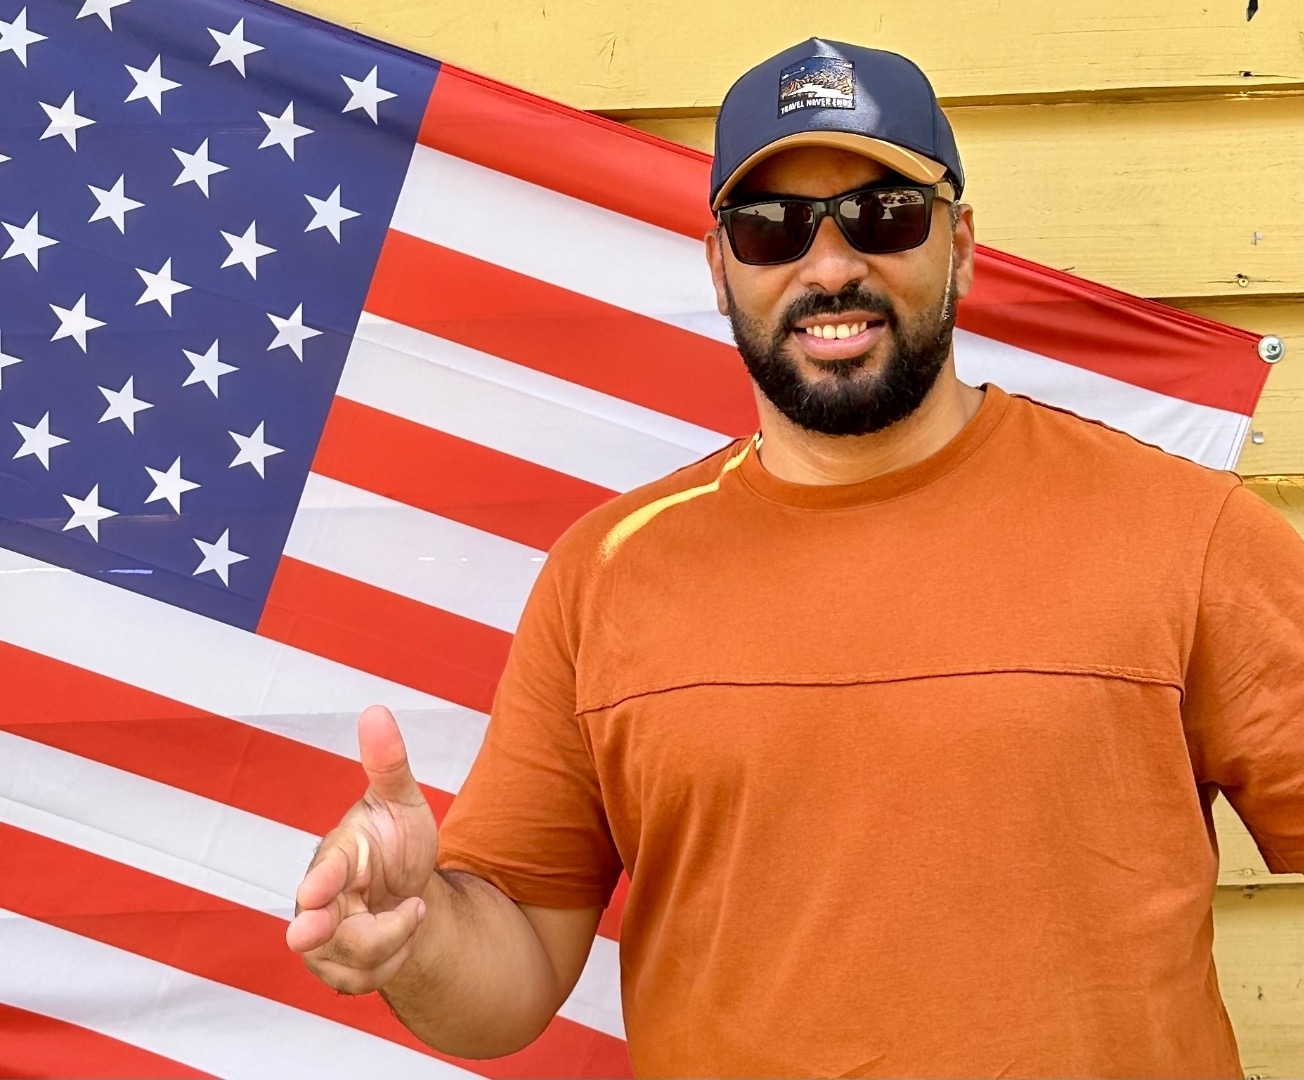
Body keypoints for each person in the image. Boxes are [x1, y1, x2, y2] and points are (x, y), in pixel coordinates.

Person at [286, 37, 1304, 1078]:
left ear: (958, 246)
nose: (829, 267)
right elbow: (511, 981)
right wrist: (414, 931)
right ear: (720, 267)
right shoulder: (608, 574)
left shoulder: (1183, 532)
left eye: (883, 215)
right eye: (771, 227)